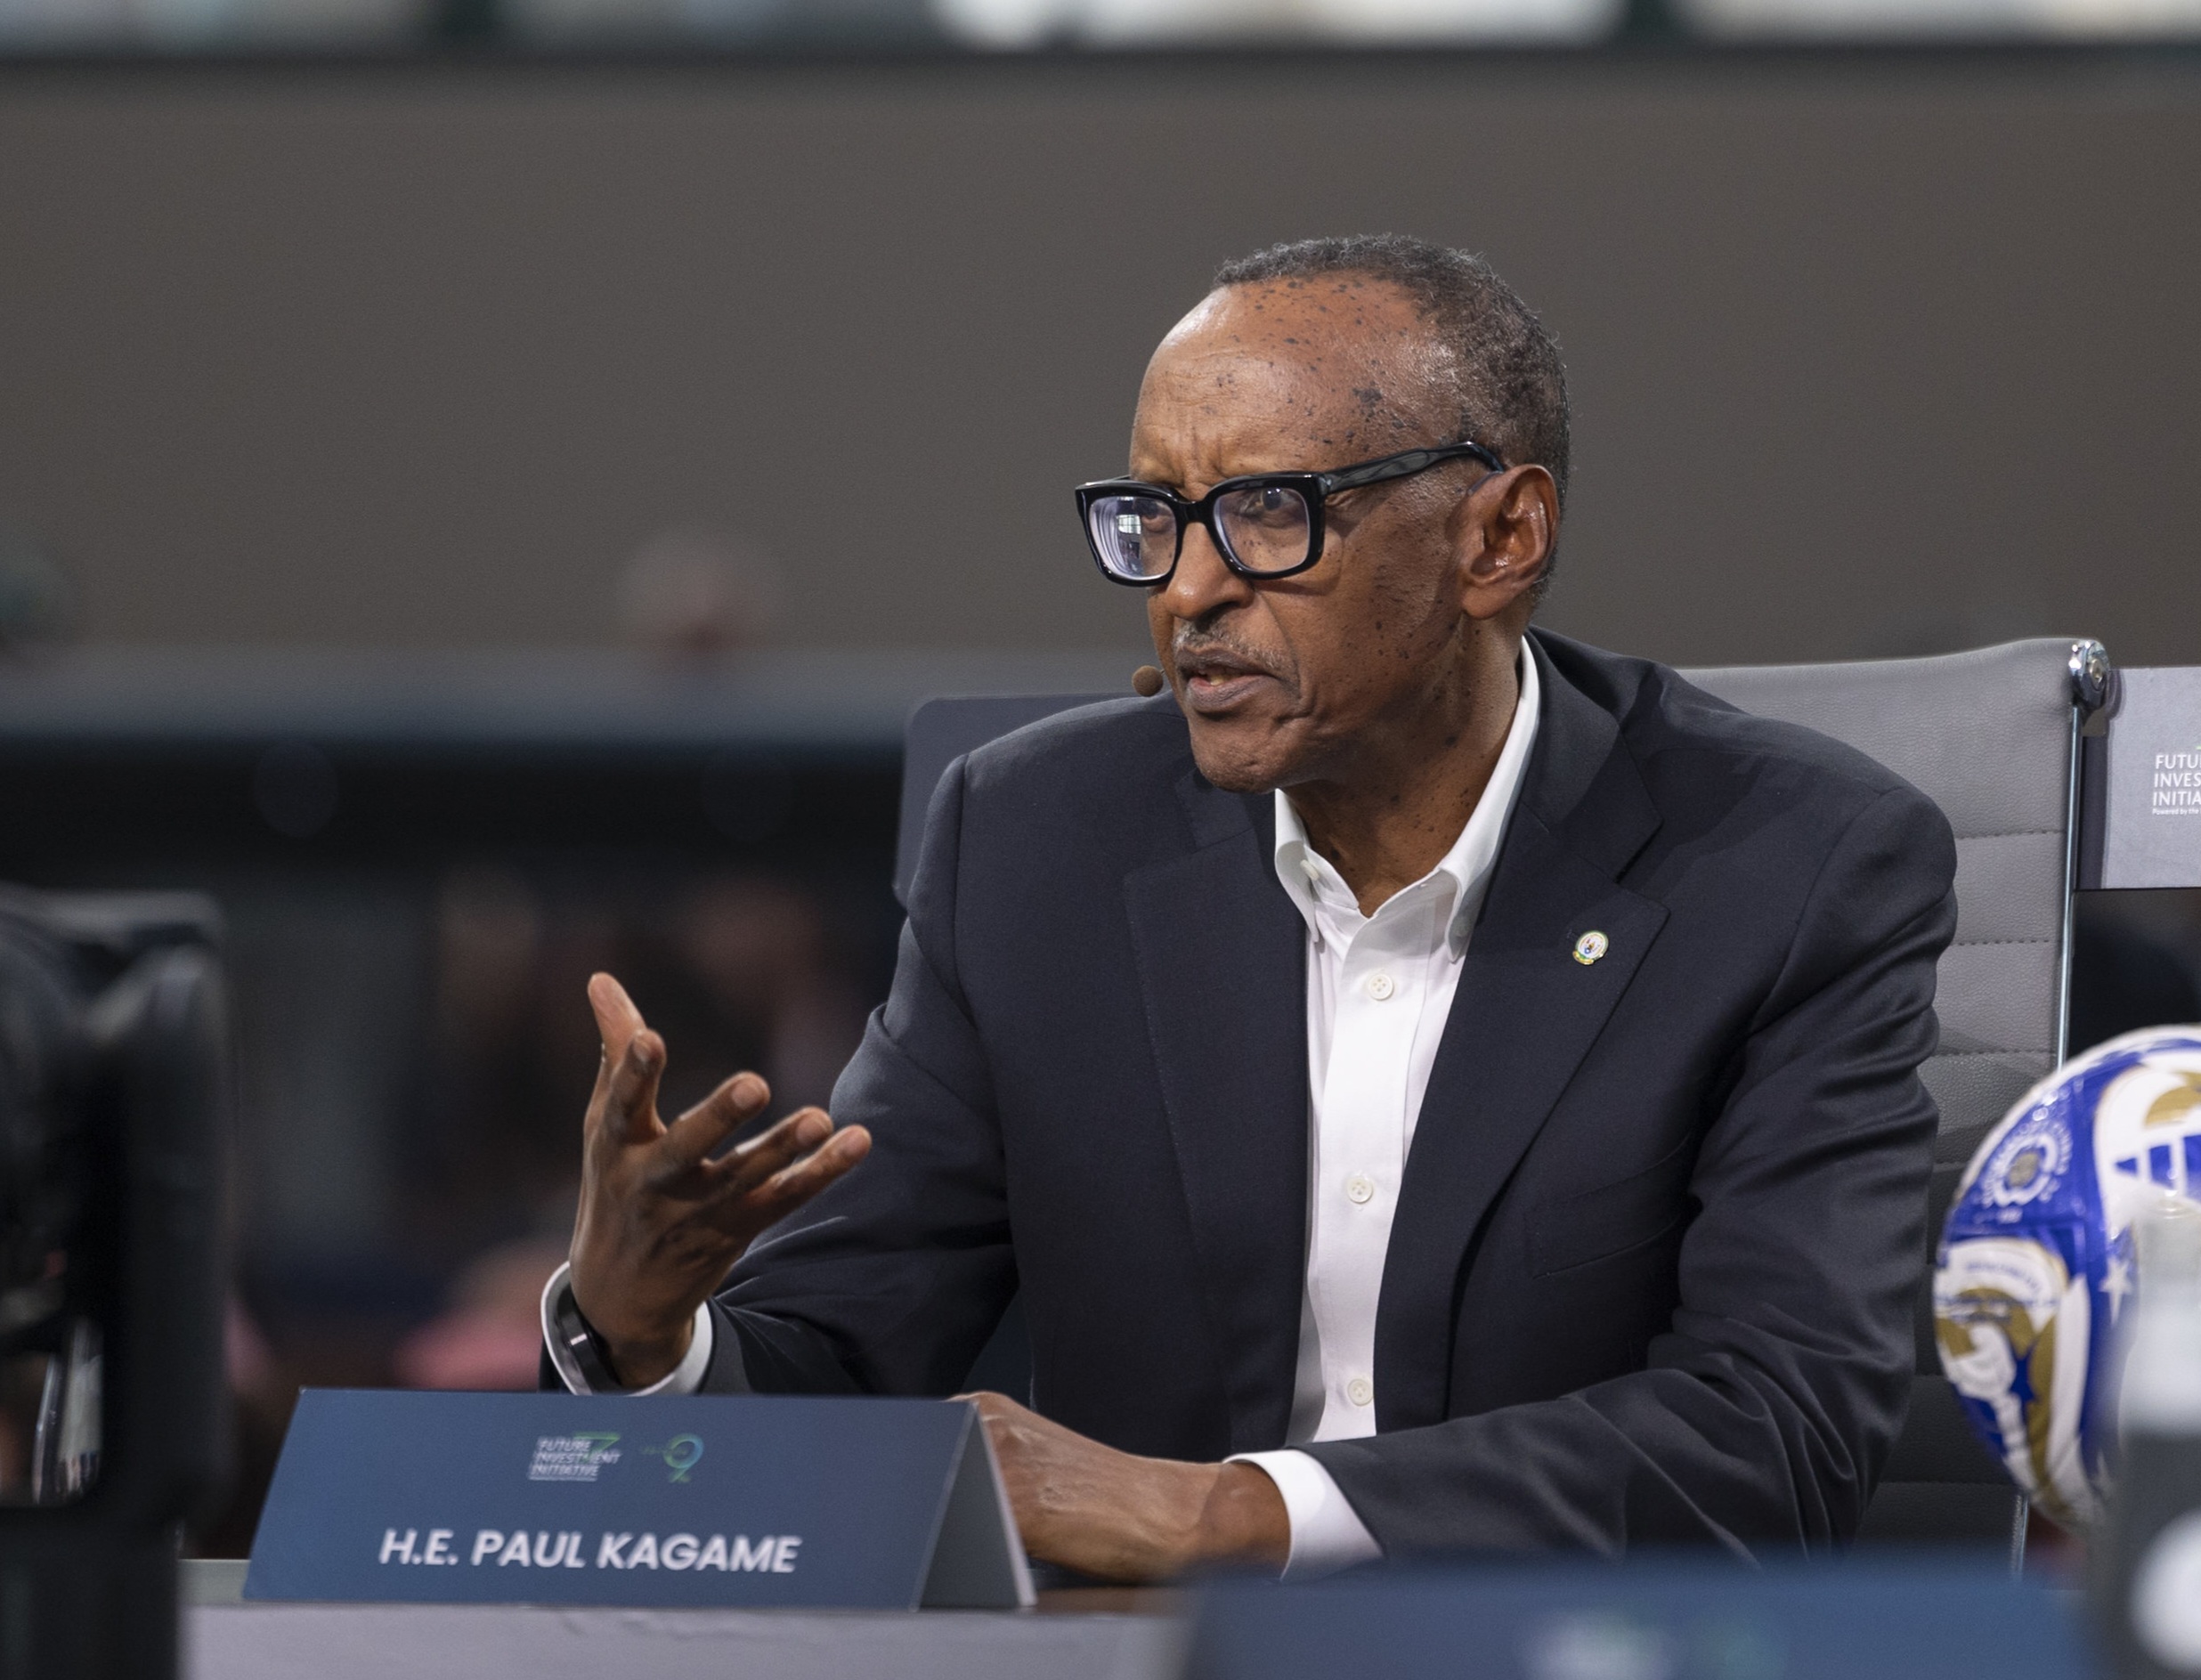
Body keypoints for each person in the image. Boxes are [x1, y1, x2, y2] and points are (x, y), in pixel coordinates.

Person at [540, 234, 1957, 1579]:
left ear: (1499, 539)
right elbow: (838, 1364)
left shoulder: (1790, 868)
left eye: (1270, 512)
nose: (1189, 591)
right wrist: (647, 1332)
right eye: (1154, 518)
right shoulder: (1036, 847)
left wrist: (1226, 1512)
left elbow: (1780, 1433)